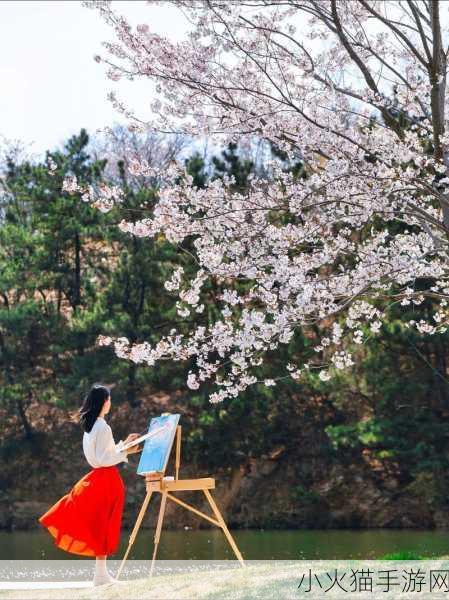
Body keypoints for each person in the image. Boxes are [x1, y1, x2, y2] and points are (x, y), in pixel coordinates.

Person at [38, 383, 141, 586]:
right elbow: (105, 458)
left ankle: (101, 575)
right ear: (104, 401)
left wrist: (124, 445)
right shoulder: (102, 425)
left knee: (99, 525)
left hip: (98, 478)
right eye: (109, 399)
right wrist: (126, 451)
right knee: (103, 526)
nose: (110, 402)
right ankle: (101, 576)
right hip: (105, 479)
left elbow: (104, 453)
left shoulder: (91, 425)